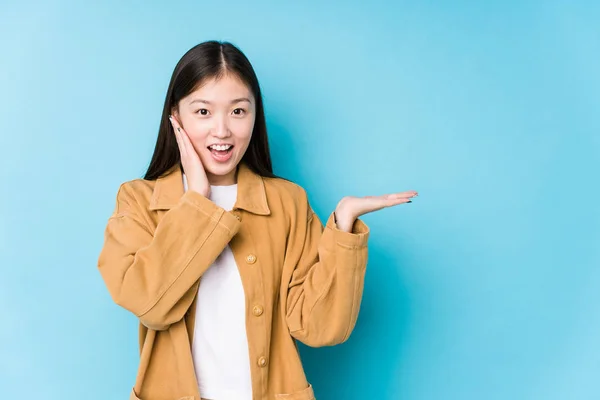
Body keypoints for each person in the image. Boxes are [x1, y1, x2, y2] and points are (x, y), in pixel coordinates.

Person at [97, 40, 417, 400]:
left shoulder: (287, 203)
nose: (222, 130)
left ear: (254, 115)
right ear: (176, 116)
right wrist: (197, 199)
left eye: (238, 111)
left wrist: (343, 227)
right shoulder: (139, 200)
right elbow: (149, 304)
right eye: (203, 112)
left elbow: (320, 328)